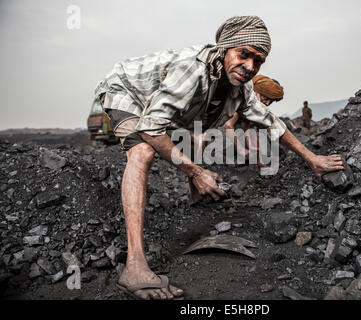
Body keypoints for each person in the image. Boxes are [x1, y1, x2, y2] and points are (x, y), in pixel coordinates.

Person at [92, 16, 344, 300]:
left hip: (160, 101)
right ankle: (135, 267)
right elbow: (151, 128)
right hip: (126, 89)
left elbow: (271, 122)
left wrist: (312, 159)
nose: (250, 67)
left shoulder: (239, 87)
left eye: (258, 61)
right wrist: (196, 172)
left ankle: (196, 195)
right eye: (244, 54)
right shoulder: (193, 70)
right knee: (143, 150)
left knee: (195, 127)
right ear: (226, 48)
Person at [223, 75, 284, 168]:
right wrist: (241, 150)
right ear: (257, 92)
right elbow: (228, 125)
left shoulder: (251, 107)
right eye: (266, 99)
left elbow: (247, 127)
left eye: (271, 101)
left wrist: (259, 161)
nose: (267, 103)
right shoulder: (243, 98)